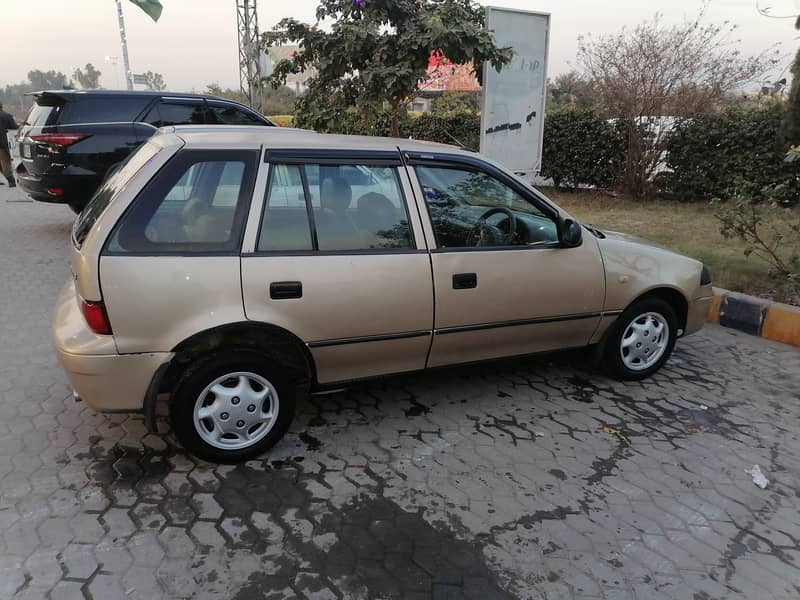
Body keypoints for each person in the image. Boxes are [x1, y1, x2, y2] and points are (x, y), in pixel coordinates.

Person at [0, 103, 19, 187]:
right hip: (8, 141)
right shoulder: (7, 116)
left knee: (4, 163)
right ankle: (17, 179)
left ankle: (11, 180)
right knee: (14, 160)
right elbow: (14, 127)